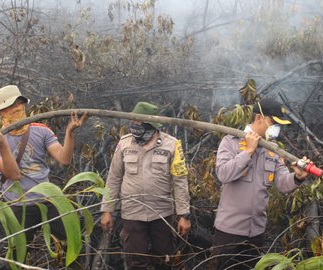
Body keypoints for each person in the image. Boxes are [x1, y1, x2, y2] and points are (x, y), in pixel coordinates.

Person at [0, 85, 88, 258]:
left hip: (47, 200)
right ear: (1, 112)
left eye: (20, 104)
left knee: (72, 244)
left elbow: (64, 159)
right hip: (19, 205)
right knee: (19, 255)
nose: (17, 109)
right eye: (10, 106)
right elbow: (14, 175)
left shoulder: (41, 130)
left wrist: (70, 132)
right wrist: (2, 145)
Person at [211, 98, 310, 269]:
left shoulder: (273, 149)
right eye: (273, 123)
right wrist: (248, 151)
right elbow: (223, 174)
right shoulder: (231, 141)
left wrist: (298, 177)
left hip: (256, 232)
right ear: (259, 118)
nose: (277, 129)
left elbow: (282, 183)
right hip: (229, 231)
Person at [100, 101, 191, 270]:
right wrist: (107, 210)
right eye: (132, 122)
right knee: (135, 261)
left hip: (161, 214)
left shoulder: (172, 144)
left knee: (164, 259)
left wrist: (184, 215)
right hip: (132, 213)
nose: (134, 126)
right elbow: (113, 178)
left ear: (151, 125)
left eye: (138, 123)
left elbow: (180, 181)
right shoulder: (125, 144)